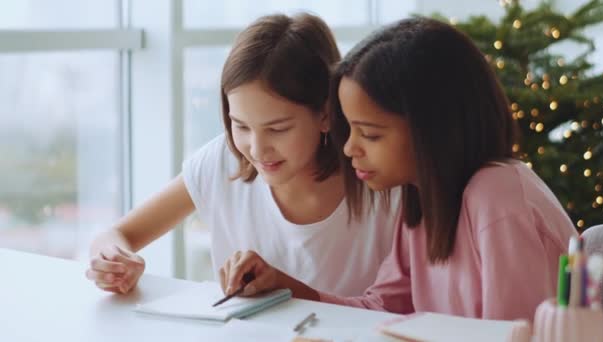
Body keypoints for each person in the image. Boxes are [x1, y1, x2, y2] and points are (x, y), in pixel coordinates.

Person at [218, 17, 577, 321]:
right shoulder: (421, 201)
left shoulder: (498, 195)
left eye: (370, 134)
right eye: (350, 128)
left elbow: (514, 336)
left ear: (432, 127)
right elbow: (380, 309)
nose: (348, 147)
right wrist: (283, 286)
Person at [85, 13, 400, 297]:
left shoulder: (382, 181)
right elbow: (115, 235)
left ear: (326, 114)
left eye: (278, 129)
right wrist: (115, 261)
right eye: (241, 126)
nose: (257, 149)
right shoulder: (222, 162)